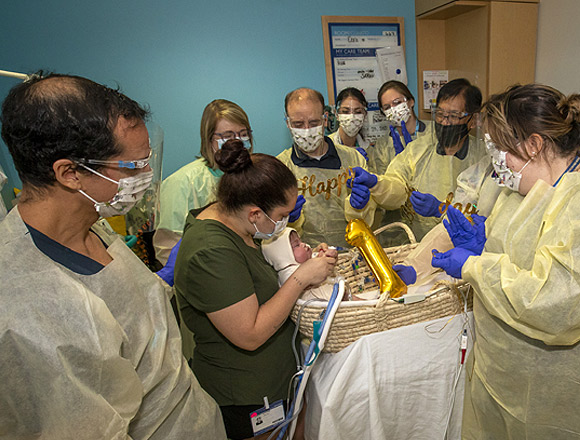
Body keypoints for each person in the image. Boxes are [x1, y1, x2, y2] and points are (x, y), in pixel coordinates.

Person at [0, 73, 225, 439]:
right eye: (134, 168)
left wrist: (158, 286)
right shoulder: (29, 315)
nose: (147, 176)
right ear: (70, 173)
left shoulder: (91, 220)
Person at [432, 84, 580, 439]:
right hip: (513, 380)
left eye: (500, 150)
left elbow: (557, 304)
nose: (497, 163)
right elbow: (524, 254)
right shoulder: (528, 184)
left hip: (578, 388)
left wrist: (476, 266)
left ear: (535, 144)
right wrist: (486, 247)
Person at [174, 139, 337, 440]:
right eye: (282, 215)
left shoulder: (236, 222)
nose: (285, 222)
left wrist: (303, 258)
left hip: (276, 380)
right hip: (247, 394)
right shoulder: (211, 251)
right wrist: (301, 278)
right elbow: (249, 333)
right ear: (254, 214)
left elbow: (259, 273)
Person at [347, 78, 486, 243]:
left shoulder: (484, 158)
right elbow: (397, 185)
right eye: (440, 114)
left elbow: (484, 213)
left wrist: (441, 209)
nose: (445, 122)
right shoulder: (418, 149)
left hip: (463, 250)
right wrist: (376, 183)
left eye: (454, 116)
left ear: (473, 119)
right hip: (415, 245)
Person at [153, 99, 255, 265]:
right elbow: (168, 248)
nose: (237, 142)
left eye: (243, 134)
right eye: (228, 136)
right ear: (209, 140)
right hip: (204, 271)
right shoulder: (182, 183)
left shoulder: (253, 175)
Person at [277, 87, 368, 248]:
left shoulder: (353, 159)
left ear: (325, 119)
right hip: (304, 261)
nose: (307, 131)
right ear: (288, 124)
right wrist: (287, 221)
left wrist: (361, 208)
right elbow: (272, 235)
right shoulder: (280, 167)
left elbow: (369, 221)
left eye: (313, 123)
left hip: (351, 255)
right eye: (298, 124)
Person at [370, 80, 433, 175]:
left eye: (397, 102)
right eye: (387, 107)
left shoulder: (433, 131)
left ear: (411, 102)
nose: (393, 109)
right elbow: (384, 184)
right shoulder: (382, 146)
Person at [262, 227, 339, 301]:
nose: (304, 244)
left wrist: (323, 251)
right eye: (297, 245)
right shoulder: (288, 273)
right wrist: (321, 259)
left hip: (334, 297)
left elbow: (314, 260)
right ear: (285, 256)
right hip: (319, 307)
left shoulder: (303, 260)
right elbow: (309, 273)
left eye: (301, 241)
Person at [330, 87, 372, 168]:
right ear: (336, 114)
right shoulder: (327, 146)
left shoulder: (369, 150)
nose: (351, 117)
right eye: (345, 112)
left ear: (365, 115)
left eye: (358, 112)